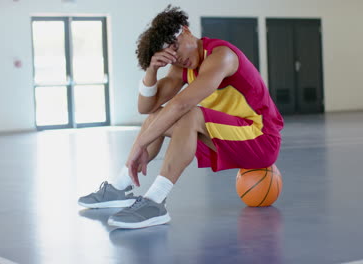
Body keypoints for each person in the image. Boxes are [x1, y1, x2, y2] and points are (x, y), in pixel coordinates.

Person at [78, 5, 284, 229]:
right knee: (158, 115)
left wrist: (141, 144)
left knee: (188, 113)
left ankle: (155, 200)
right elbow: (146, 107)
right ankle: (121, 186)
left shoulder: (221, 56)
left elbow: (181, 104)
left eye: (176, 46)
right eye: (170, 55)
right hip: (229, 136)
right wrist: (151, 71)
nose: (178, 58)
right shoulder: (181, 67)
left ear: (186, 29)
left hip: (261, 140)